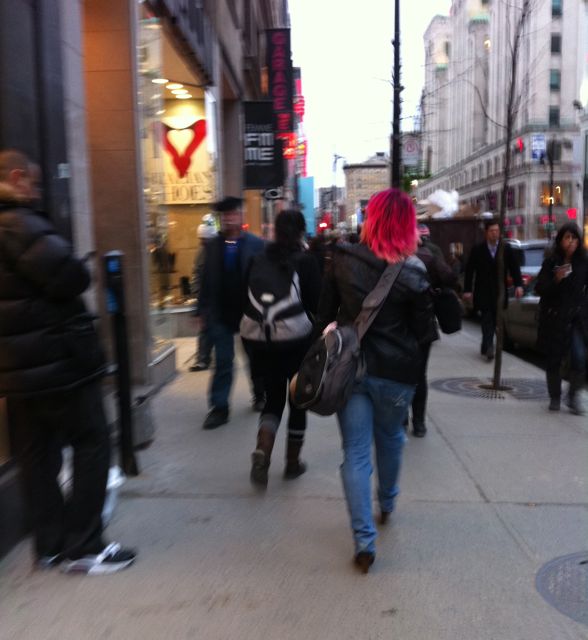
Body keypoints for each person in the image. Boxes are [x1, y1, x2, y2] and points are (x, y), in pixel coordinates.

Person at [0, 149, 135, 574]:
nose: (37, 192)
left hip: (16, 369)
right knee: (92, 441)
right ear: (17, 177)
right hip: (57, 362)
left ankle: (51, 545)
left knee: (36, 455)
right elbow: (71, 276)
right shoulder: (19, 224)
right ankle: (85, 546)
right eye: (35, 183)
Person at [315, 188, 437, 573]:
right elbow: (425, 332)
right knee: (391, 438)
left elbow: (322, 314)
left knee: (355, 452)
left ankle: (364, 542)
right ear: (407, 226)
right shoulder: (414, 272)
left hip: (350, 370)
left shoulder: (342, 259)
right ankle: (387, 501)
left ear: (371, 220)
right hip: (397, 375)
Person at [240, 210, 321, 488]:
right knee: (298, 402)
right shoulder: (306, 262)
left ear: (275, 231)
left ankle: (263, 450)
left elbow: (244, 299)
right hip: (297, 344)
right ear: (300, 232)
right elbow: (316, 303)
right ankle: (292, 463)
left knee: (273, 400)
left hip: (263, 343)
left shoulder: (259, 259)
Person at [194, 196, 265, 429]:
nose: (228, 219)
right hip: (220, 313)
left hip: (249, 312)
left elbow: (266, 278)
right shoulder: (213, 246)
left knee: (255, 359)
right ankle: (219, 408)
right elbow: (205, 280)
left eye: (232, 214)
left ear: (240, 216)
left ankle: (260, 394)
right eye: (225, 215)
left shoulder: (256, 244)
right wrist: (200, 310)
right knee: (223, 361)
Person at [406, 227, 458, 437]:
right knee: (420, 375)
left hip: (398, 326)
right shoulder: (429, 256)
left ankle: (401, 418)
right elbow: (450, 278)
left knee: (400, 373)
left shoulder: (390, 257)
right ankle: (419, 422)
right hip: (423, 323)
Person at [535, 223, 588, 415]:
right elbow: (540, 288)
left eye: (574, 238)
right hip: (555, 318)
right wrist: (556, 280)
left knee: (579, 358)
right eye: (567, 237)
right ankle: (555, 396)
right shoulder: (552, 262)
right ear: (560, 240)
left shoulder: (583, 262)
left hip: (576, 318)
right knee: (554, 359)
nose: (571, 242)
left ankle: (573, 397)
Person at [463, 220, 524, 361]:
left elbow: (514, 268)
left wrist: (519, 285)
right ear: (486, 232)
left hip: (499, 292)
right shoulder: (478, 249)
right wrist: (467, 290)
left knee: (497, 319)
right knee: (487, 319)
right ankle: (489, 346)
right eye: (491, 231)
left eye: (497, 231)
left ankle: (486, 345)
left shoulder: (505, 249)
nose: (494, 234)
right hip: (483, 291)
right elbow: (469, 270)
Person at [189, 214, 217, 372]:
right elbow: (197, 275)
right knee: (206, 329)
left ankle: (204, 358)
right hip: (207, 297)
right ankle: (203, 358)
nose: (202, 242)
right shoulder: (204, 251)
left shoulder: (215, 249)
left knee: (211, 329)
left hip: (214, 297)